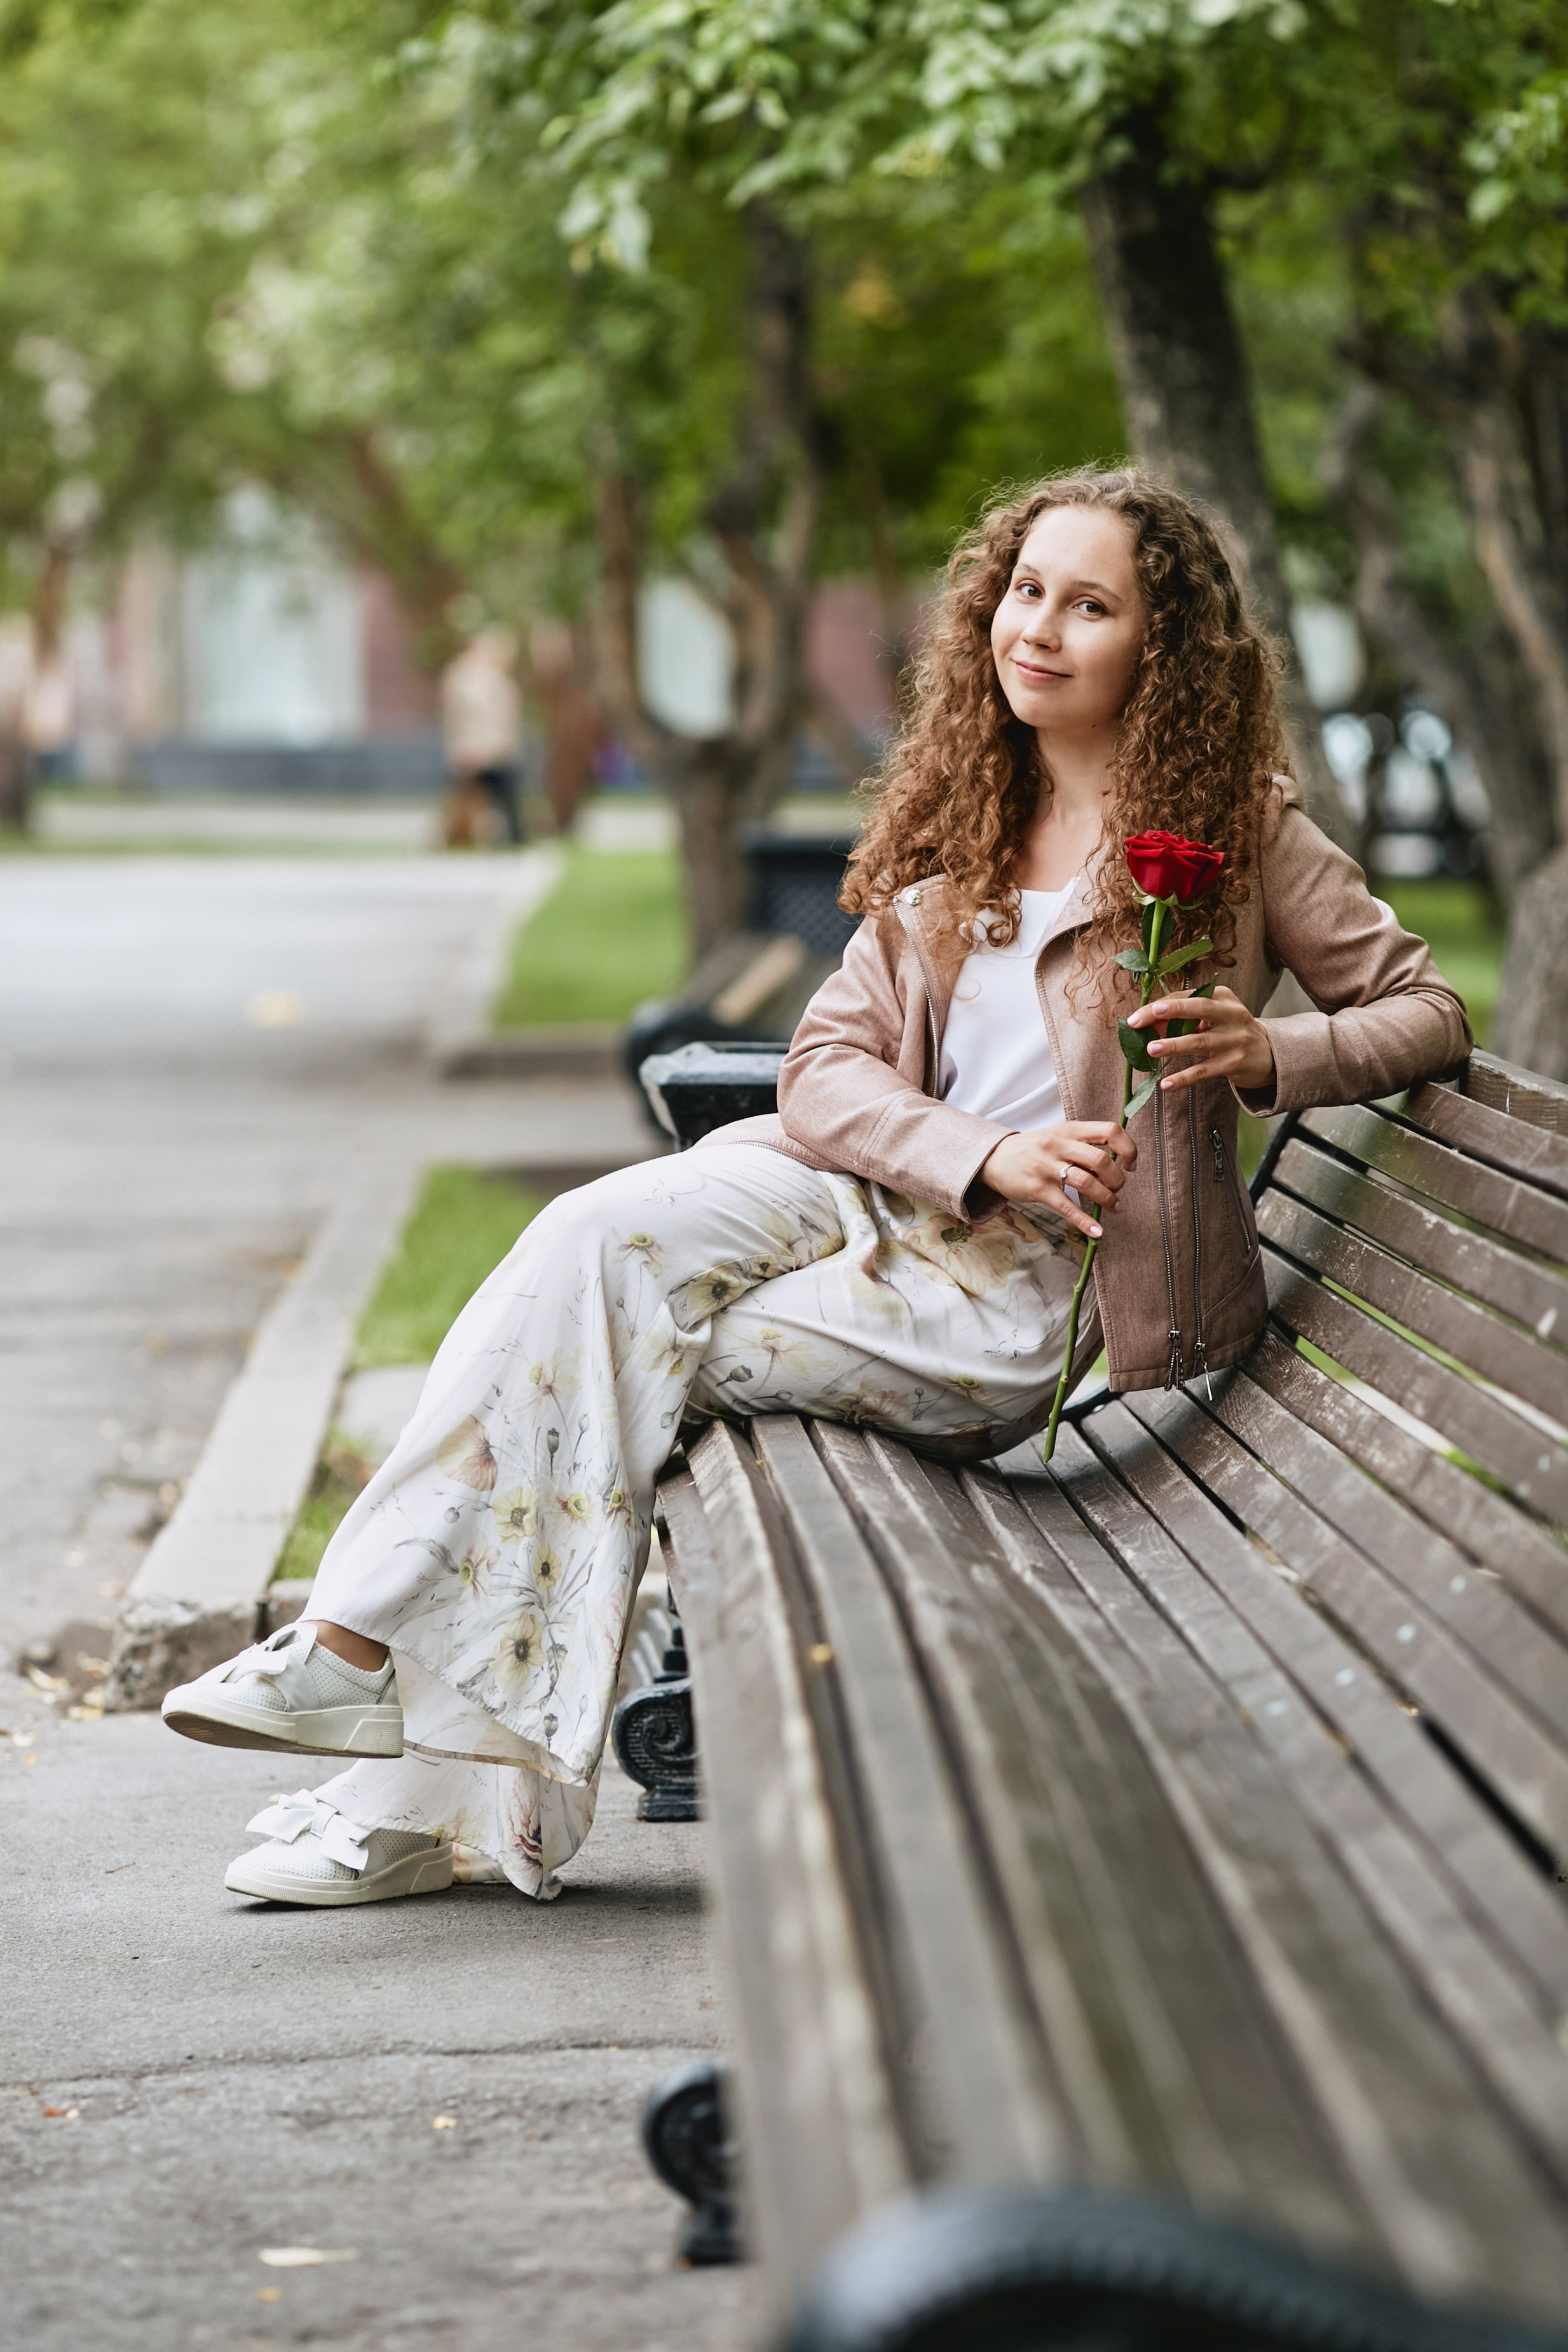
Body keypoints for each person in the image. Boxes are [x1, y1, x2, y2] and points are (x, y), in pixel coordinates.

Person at [160, 468, 1469, 1905]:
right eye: (1024, 590)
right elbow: (826, 1068)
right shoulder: (971, 806)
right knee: (583, 1238)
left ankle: (406, 1777)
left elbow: (1424, 1010)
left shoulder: (1238, 834)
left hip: (1017, 1300)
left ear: (1159, 647)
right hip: (863, 1197)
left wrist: (1264, 1046)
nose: (1038, 628)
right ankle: (359, 1672)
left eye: (1089, 605)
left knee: (603, 1358)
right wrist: (977, 1149)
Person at [439, 629, 525, 845]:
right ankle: (467, 836)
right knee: (478, 797)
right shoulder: (470, 678)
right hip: (479, 750)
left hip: (493, 749)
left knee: (498, 797)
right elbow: (465, 719)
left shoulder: (493, 678)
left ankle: (506, 837)